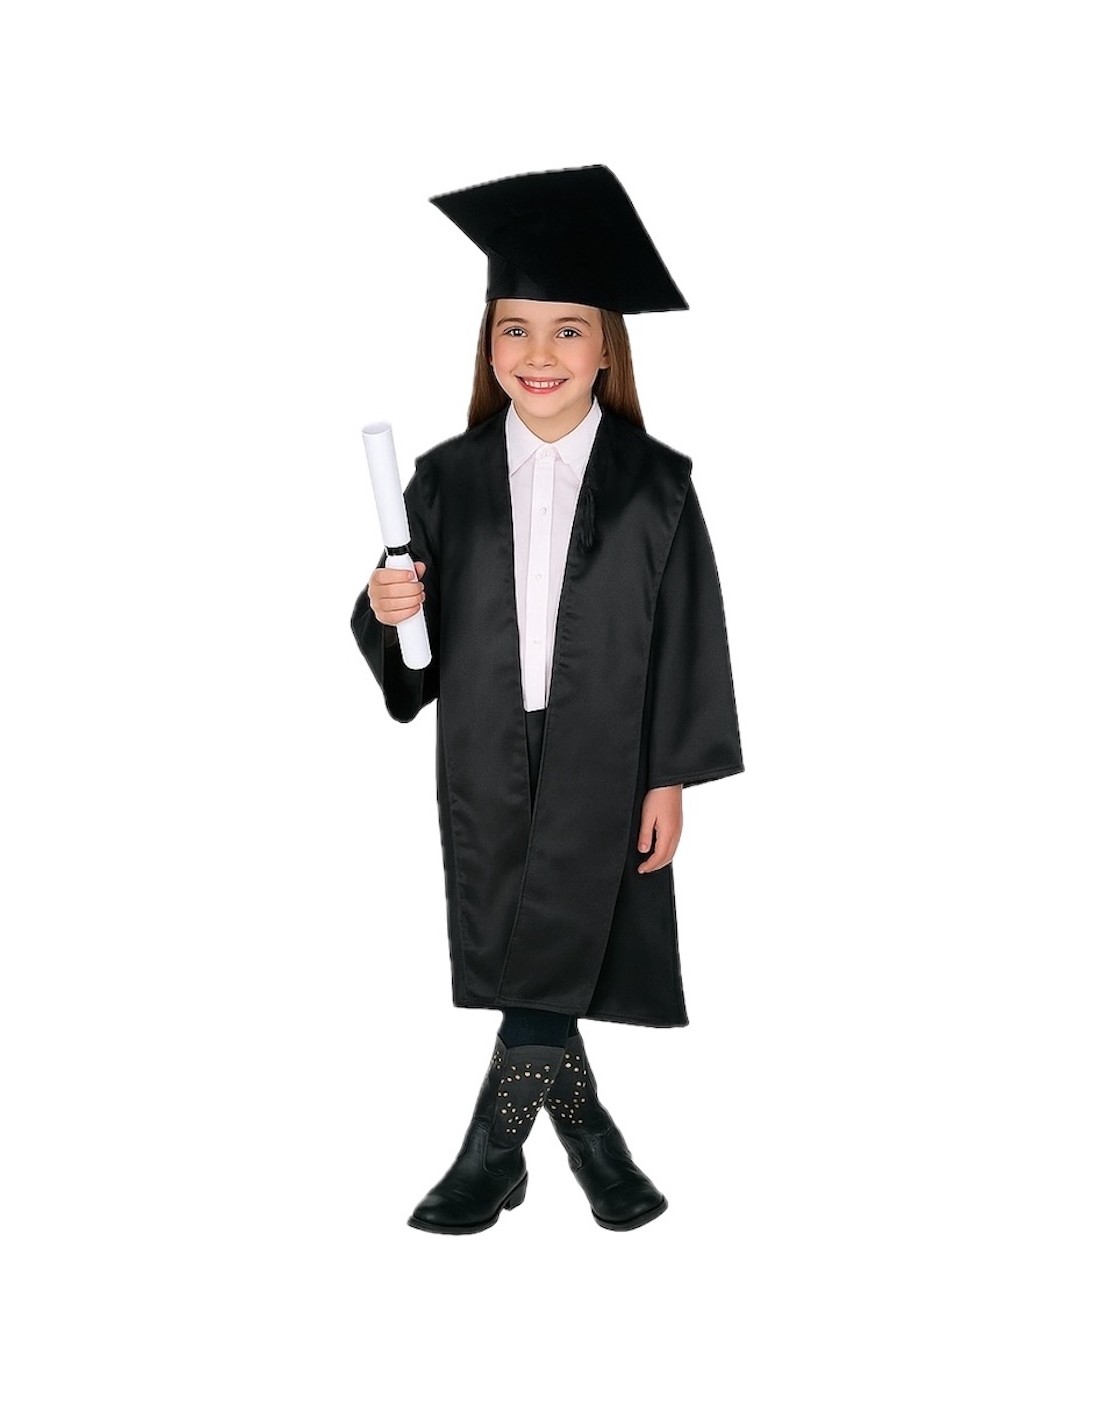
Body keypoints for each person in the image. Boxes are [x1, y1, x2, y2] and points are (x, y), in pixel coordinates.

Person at [350, 165, 744, 1234]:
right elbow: (410, 646)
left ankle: (489, 1162)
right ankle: (592, 1146)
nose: (539, 355)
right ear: (487, 347)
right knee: (527, 947)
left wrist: (670, 776)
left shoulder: (656, 485)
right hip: (486, 752)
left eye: (568, 332)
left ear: (607, 348)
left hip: (607, 755)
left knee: (558, 944)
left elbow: (689, 636)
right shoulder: (445, 480)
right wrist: (389, 605)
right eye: (514, 330)